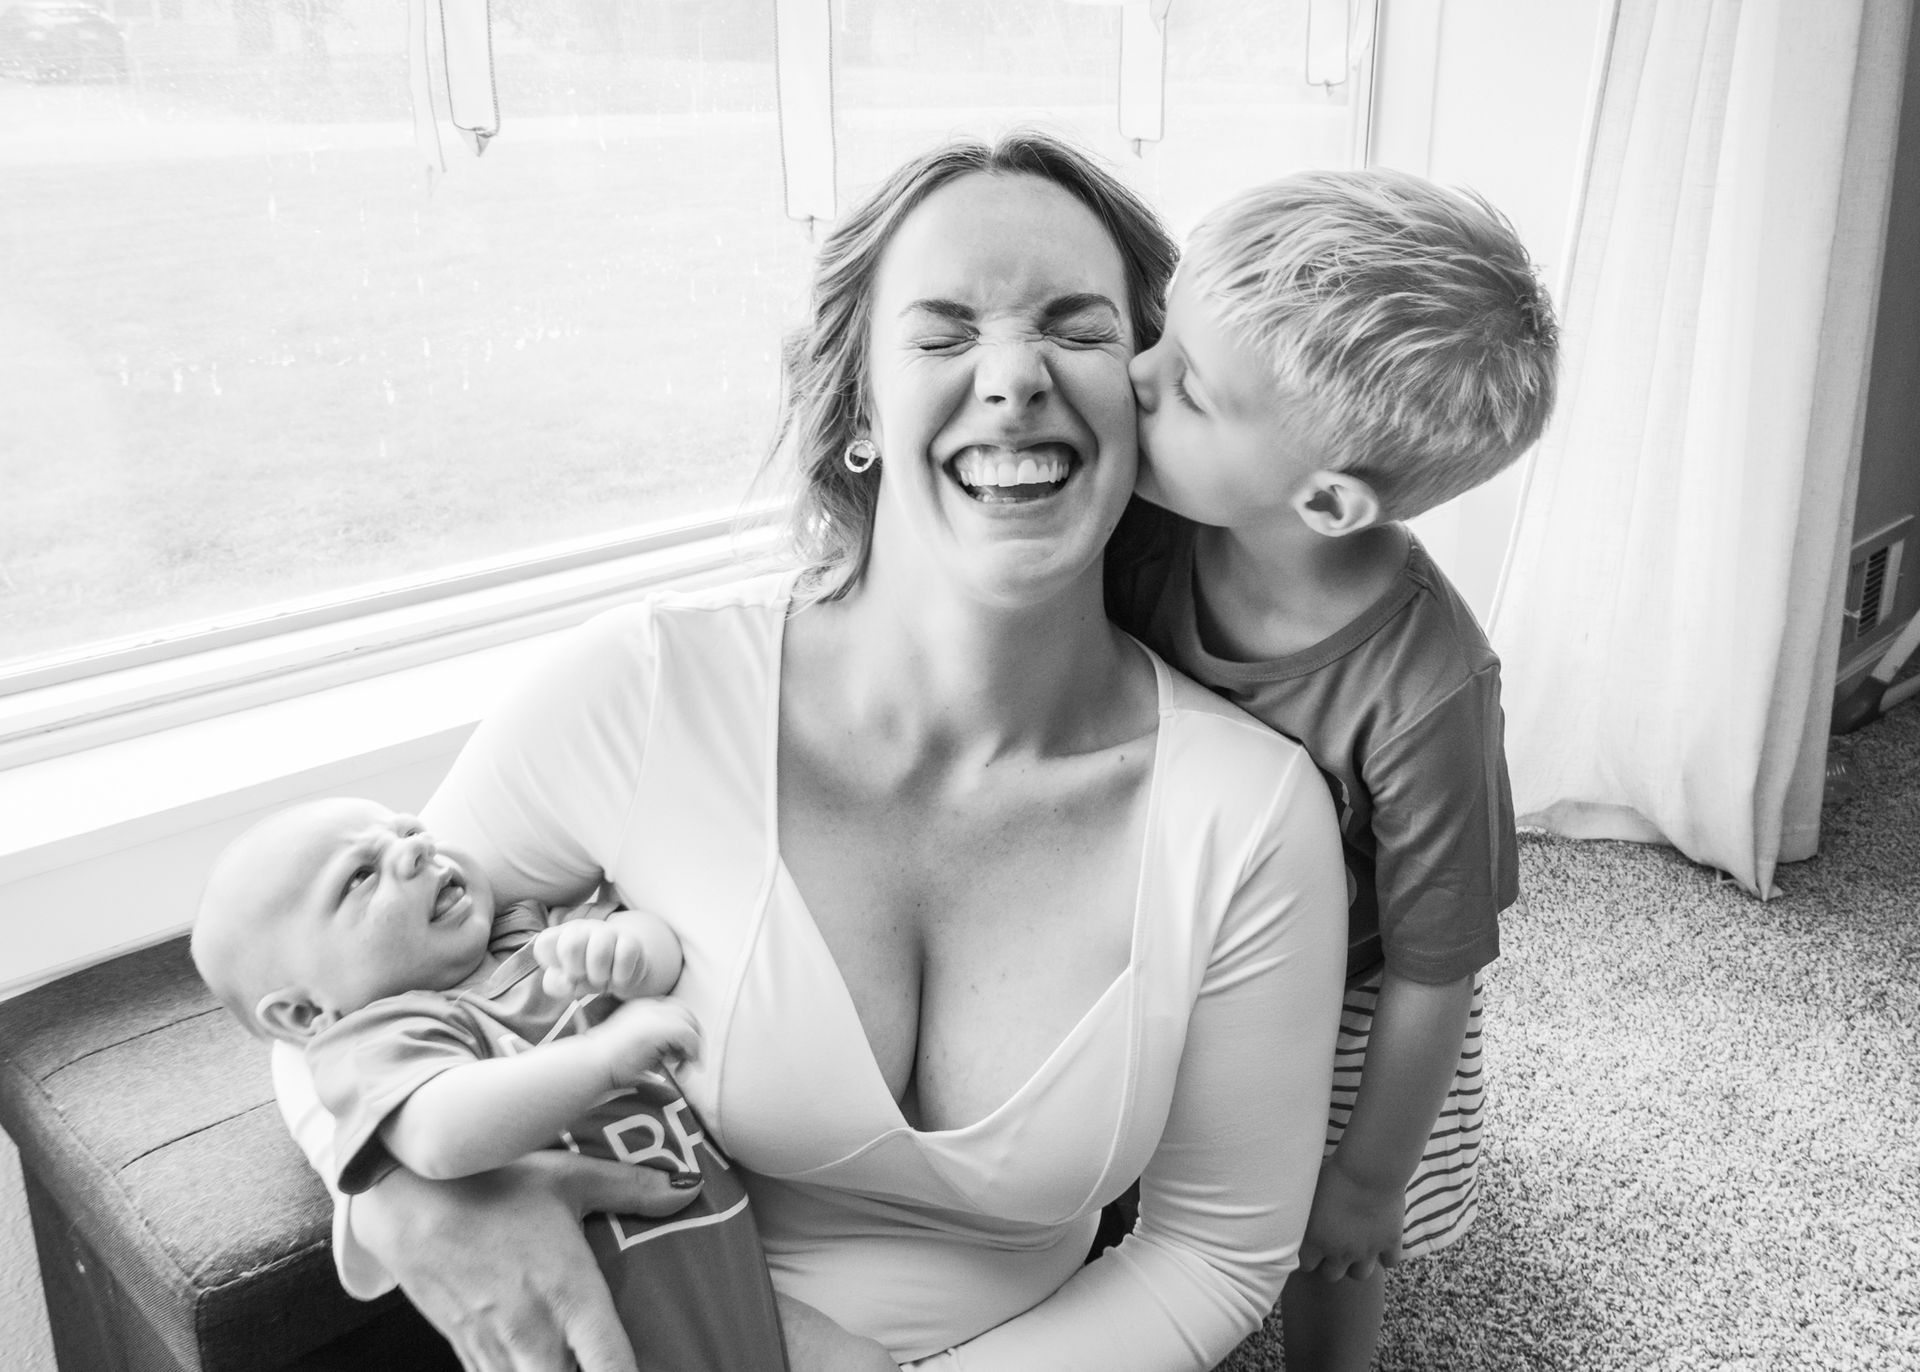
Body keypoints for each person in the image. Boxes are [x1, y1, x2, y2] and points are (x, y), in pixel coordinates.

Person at [270, 130, 1350, 1372]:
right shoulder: (645, 689)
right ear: (858, 411)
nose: (1014, 377)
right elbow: (319, 992)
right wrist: (398, 1188)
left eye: (1080, 328)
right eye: (942, 335)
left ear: (1151, 394)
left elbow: (1214, 1251)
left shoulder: (1248, 812)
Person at [1107, 168, 1560, 1372]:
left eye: (1187, 385)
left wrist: (1367, 1180)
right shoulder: (1143, 534)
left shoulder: (1430, 690)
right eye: (1161, 335)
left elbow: (1433, 962)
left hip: (1351, 995)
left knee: (1331, 1251)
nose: (1135, 375)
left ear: (1325, 500)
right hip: (1177, 937)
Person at [191, 797, 792, 1372]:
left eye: (408, 830)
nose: (416, 851)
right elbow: (440, 1136)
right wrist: (601, 1059)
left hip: (746, 1287)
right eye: (361, 876)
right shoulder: (378, 1041)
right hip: (613, 1326)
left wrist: (628, 949)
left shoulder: (528, 934)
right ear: (303, 1014)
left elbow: (664, 954)